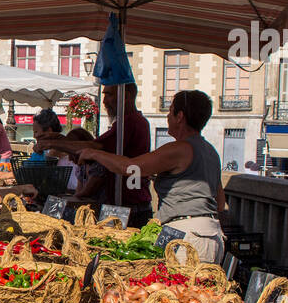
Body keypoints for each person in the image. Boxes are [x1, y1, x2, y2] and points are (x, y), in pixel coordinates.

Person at [80, 89, 226, 263]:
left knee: (181, 289)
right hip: (210, 233)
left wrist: (94, 153)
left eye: (170, 111)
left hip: (189, 236)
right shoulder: (210, 151)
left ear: (180, 116)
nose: (167, 117)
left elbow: (130, 167)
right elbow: (220, 203)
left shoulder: (179, 148)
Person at [47, 82, 154, 226]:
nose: (104, 101)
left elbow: (95, 146)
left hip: (129, 206)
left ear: (126, 96)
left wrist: (51, 144)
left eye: (109, 94)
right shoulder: (131, 123)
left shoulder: (130, 123)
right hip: (127, 203)